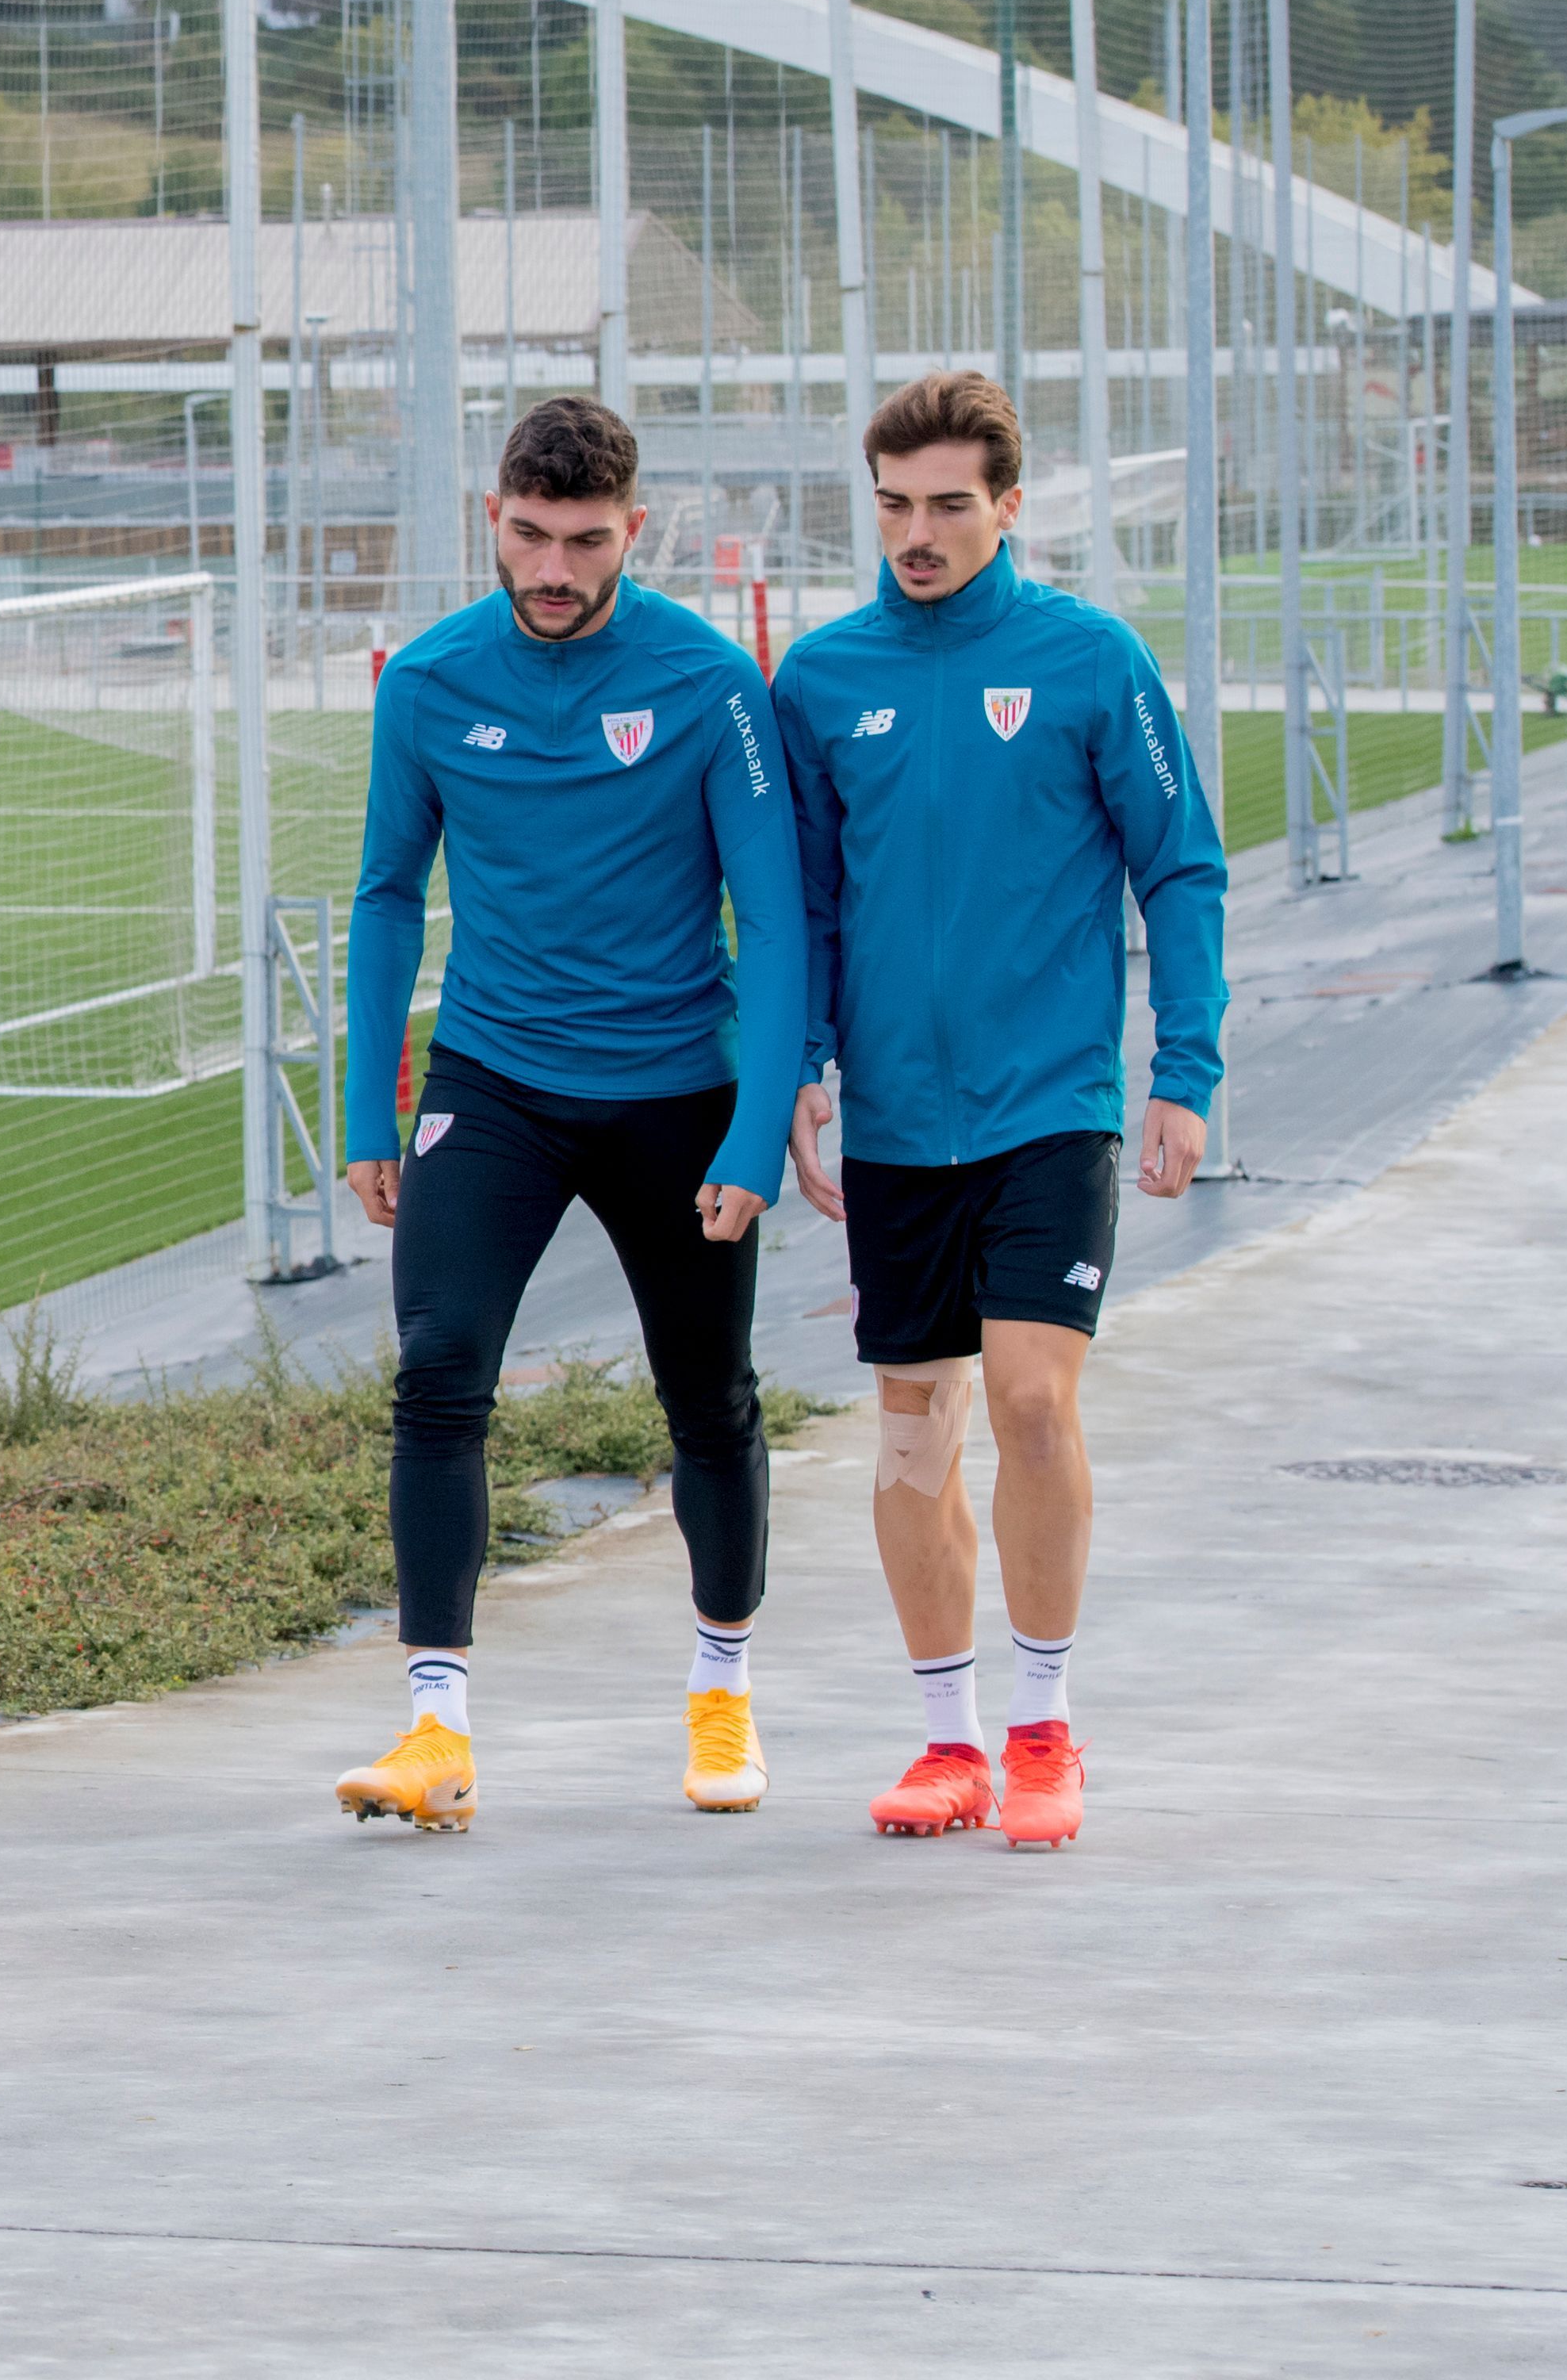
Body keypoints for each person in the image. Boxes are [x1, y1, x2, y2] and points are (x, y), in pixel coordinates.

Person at [332, 396, 804, 1834]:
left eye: (584, 542)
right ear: (494, 518)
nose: (553, 569)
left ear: (633, 533)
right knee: (438, 1372)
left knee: (708, 1399)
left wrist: (755, 1135)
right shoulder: (426, 682)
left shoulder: (715, 683)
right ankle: (434, 1728)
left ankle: (722, 1692)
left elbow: (776, 927)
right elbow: (386, 896)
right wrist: (368, 1109)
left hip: (679, 1089)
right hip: (495, 1083)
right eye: (530, 536)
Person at [779, 371, 1222, 1854]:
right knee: (912, 1436)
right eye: (895, 505)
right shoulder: (824, 681)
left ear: (1011, 506)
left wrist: (1188, 1070)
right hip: (899, 1123)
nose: (917, 532)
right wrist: (797, 1072)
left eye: (949, 505)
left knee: (1031, 1401)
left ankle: (1044, 1733)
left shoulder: (1092, 661)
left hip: (1053, 1106)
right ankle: (949, 1743)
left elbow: (1184, 869)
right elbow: (808, 912)